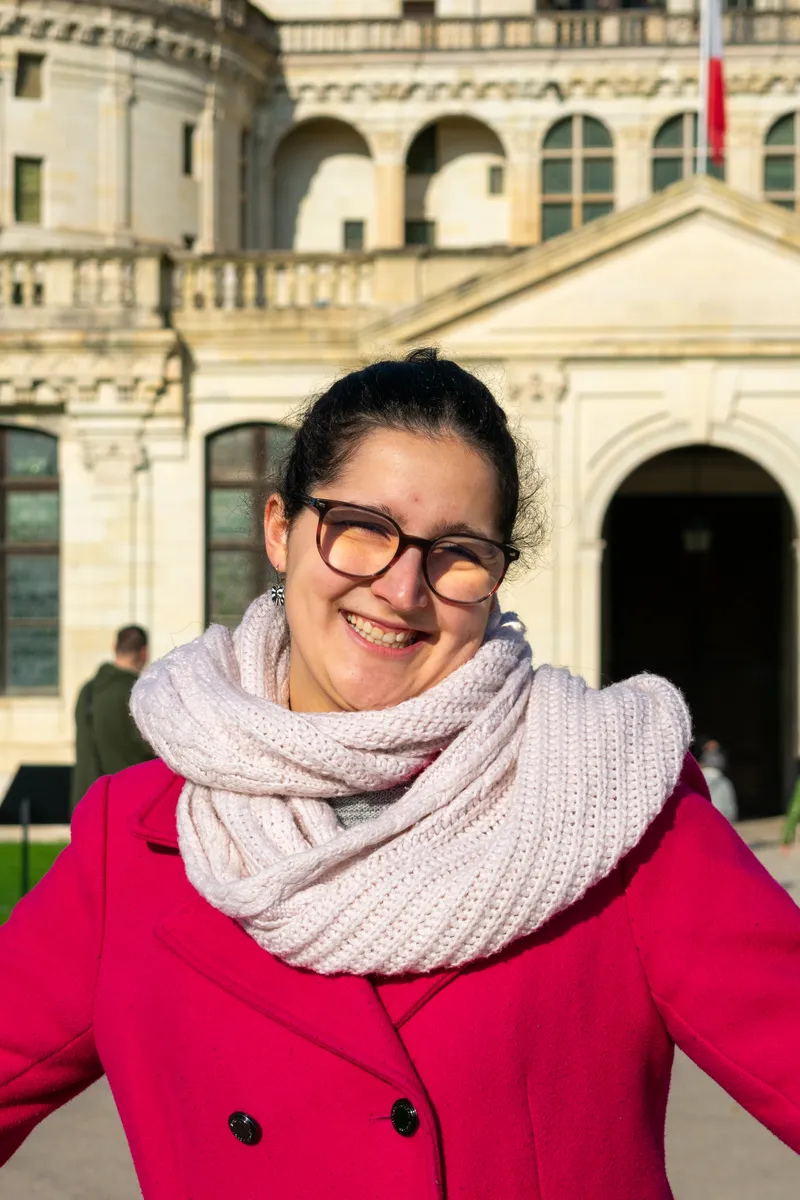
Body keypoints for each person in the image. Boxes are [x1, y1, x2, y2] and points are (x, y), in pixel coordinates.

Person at [1, 350, 799, 1199]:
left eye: (457, 551)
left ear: (495, 580)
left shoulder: (612, 798)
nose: (401, 587)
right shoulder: (133, 841)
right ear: (281, 531)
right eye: (360, 526)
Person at [70, 624, 155, 812]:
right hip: (128, 801)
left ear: (114, 647)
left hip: (88, 803)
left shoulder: (87, 690)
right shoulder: (137, 691)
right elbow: (150, 747)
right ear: (144, 652)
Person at [697, 737, 738, 823]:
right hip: (707, 775)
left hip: (715, 776)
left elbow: (719, 765)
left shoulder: (719, 756)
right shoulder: (705, 755)